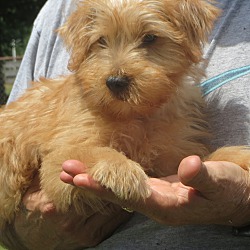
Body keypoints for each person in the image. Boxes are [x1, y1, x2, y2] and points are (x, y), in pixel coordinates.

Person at [2, 0, 250, 249]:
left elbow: (180, 176)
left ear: (190, 34)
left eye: (149, 39)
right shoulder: (59, 9)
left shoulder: (183, 116)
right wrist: (101, 162)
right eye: (101, 41)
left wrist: (241, 195)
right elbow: (59, 171)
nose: (117, 72)